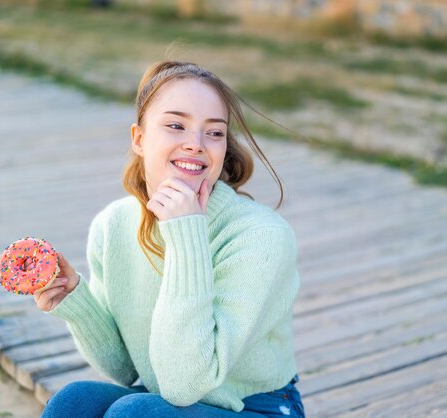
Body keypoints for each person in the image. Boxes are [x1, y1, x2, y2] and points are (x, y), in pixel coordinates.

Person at [34, 60, 305, 418]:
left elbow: (185, 384)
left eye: (214, 132)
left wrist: (187, 234)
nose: (195, 144)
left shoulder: (261, 237)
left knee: (135, 413)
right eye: (176, 125)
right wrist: (75, 302)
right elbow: (126, 370)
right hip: (163, 395)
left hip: (254, 407)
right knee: (74, 402)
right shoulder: (112, 225)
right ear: (139, 139)